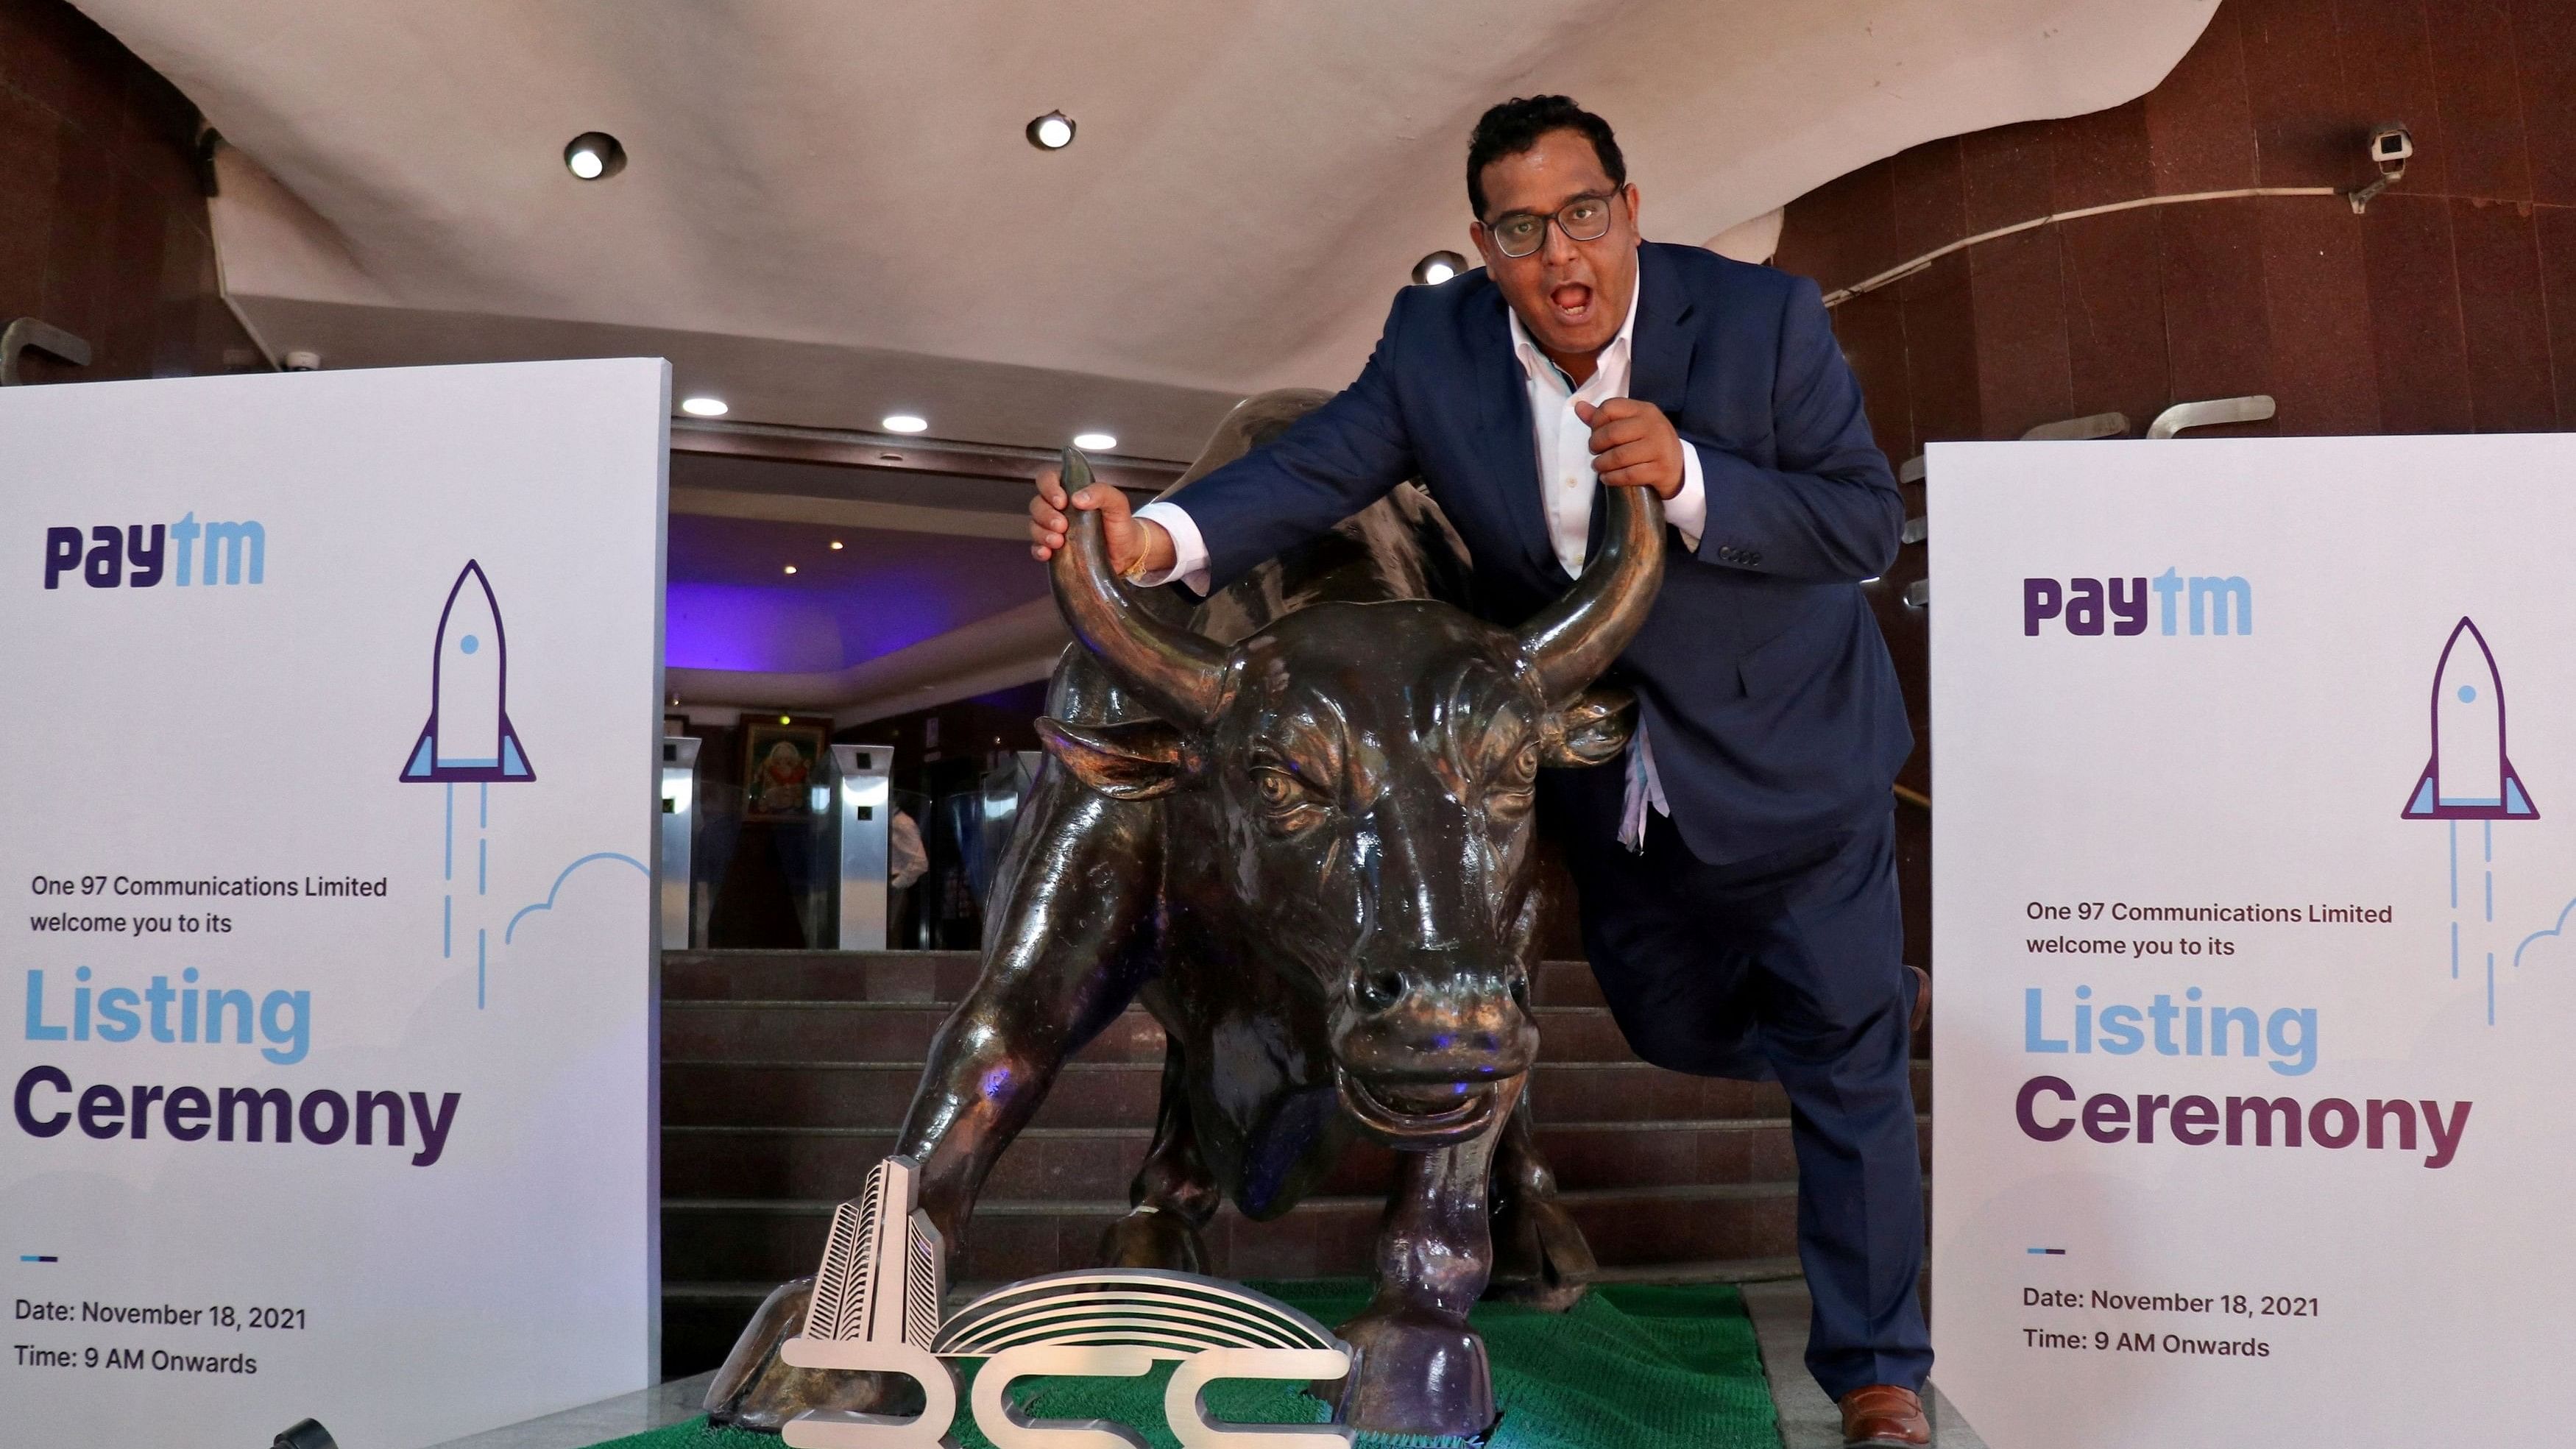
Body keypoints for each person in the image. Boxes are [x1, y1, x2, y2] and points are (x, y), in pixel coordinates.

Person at [1027, 95, 1930, 1448]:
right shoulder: (1436, 348)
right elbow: (1314, 466)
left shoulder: (1765, 320)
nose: (1560, 256)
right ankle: (1845, 1025)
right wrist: (1152, 543)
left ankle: (1877, 1374)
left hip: (1792, 761)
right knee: (1669, 1026)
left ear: (1627, 210)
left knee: (1849, 1072)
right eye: (1522, 229)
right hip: (1602, 789)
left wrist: (1693, 476)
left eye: (1583, 216)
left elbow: (1863, 519)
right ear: (1484, 242)